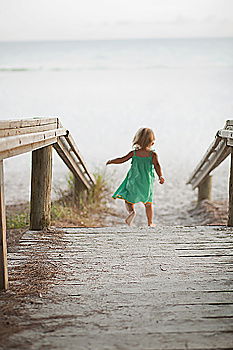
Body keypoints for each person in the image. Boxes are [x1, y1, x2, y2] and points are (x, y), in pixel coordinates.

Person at [106, 127, 164, 227]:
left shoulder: (134, 153)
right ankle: (150, 222)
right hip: (146, 182)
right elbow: (157, 166)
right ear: (152, 142)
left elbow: (122, 159)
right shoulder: (153, 155)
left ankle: (131, 212)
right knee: (148, 203)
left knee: (128, 200)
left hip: (133, 180)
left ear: (137, 141)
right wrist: (160, 176)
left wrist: (112, 161)